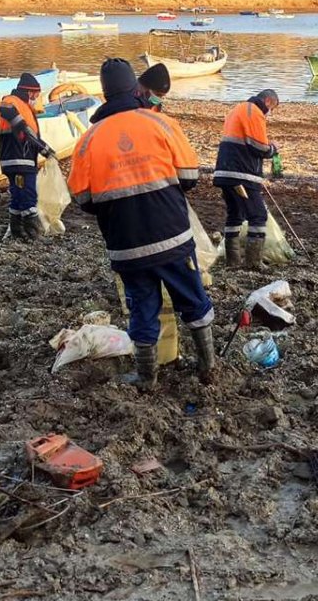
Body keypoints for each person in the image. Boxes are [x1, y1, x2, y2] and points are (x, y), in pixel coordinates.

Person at [68, 58, 215, 388]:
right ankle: (208, 368)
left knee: (142, 307)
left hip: (126, 246)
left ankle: (146, 377)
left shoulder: (89, 140)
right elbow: (189, 177)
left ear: (105, 94)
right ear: (136, 89)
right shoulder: (161, 124)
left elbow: (83, 199)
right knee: (193, 299)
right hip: (173, 238)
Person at [213, 89, 279, 270]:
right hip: (242, 173)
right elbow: (259, 147)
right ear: (267, 101)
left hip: (225, 172)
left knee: (235, 214)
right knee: (258, 215)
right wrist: (273, 148)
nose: (270, 112)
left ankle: (233, 260)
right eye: (272, 108)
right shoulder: (254, 112)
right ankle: (253, 262)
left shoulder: (238, 109)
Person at [0, 73, 56, 240]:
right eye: (36, 95)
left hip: (17, 160)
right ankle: (32, 232)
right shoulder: (12, 101)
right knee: (28, 194)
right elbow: (8, 111)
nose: (36, 99)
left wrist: (45, 149)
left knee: (18, 195)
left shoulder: (23, 106)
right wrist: (43, 148)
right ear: (29, 92)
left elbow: (30, 135)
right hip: (19, 160)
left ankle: (16, 231)